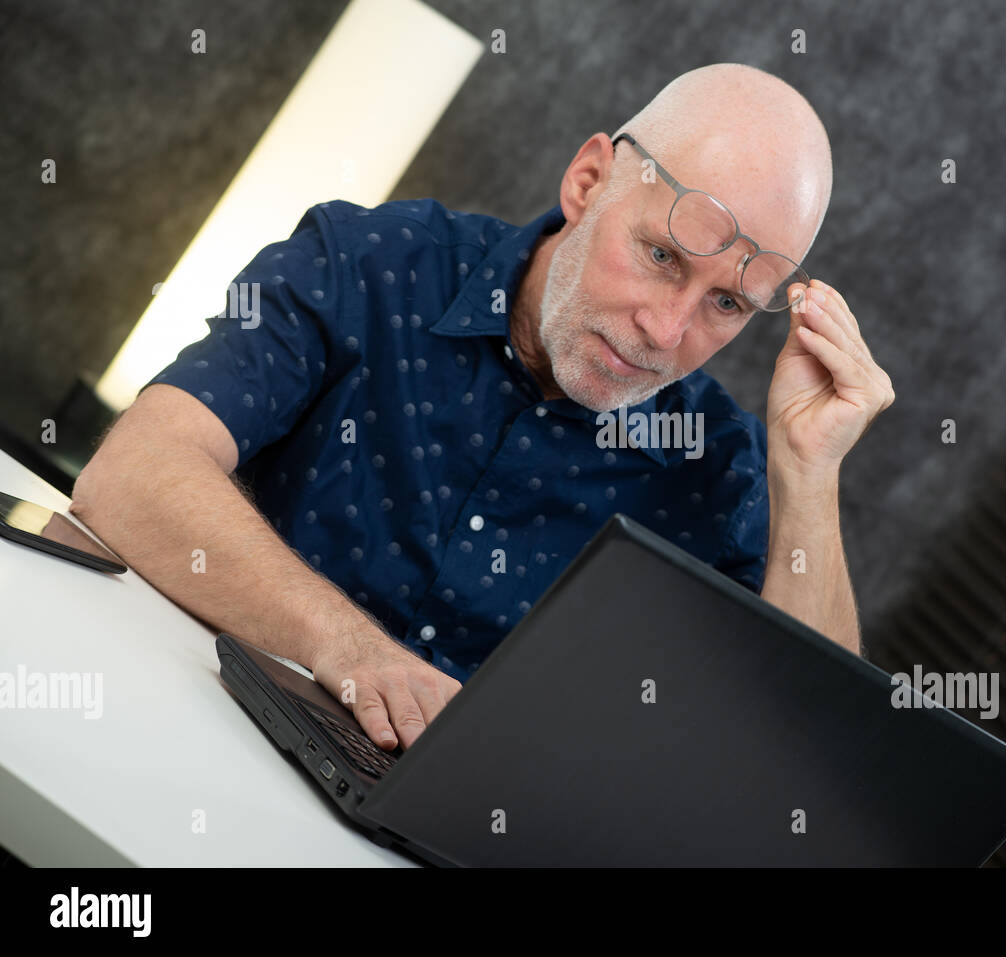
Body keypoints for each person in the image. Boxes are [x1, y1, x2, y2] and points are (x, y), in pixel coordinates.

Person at [70, 62, 894, 752]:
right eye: (659, 255)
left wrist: (808, 473)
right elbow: (134, 474)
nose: (666, 328)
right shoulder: (369, 263)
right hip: (197, 732)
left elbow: (801, 770)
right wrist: (348, 647)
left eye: (727, 306)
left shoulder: (720, 470)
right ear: (589, 181)